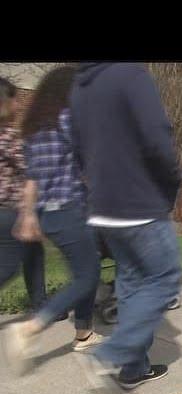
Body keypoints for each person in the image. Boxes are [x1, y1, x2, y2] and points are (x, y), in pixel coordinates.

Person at [71, 63, 182, 394]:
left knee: (132, 284)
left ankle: (134, 368)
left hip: (102, 207)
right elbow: (156, 137)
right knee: (165, 277)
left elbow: (76, 149)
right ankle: (108, 357)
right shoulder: (131, 75)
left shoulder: (79, 87)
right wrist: (172, 182)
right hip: (139, 201)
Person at [5, 66, 104, 375]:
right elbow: (91, 162)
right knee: (87, 276)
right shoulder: (67, 120)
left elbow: (32, 178)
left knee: (86, 269)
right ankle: (31, 328)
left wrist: (29, 214)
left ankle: (83, 333)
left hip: (49, 215)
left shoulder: (34, 130)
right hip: (70, 209)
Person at [0, 76, 47, 315]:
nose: (18, 103)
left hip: (10, 209)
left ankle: (41, 305)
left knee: (34, 254)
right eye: (15, 98)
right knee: (8, 267)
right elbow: (32, 167)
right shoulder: (7, 136)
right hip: (11, 210)